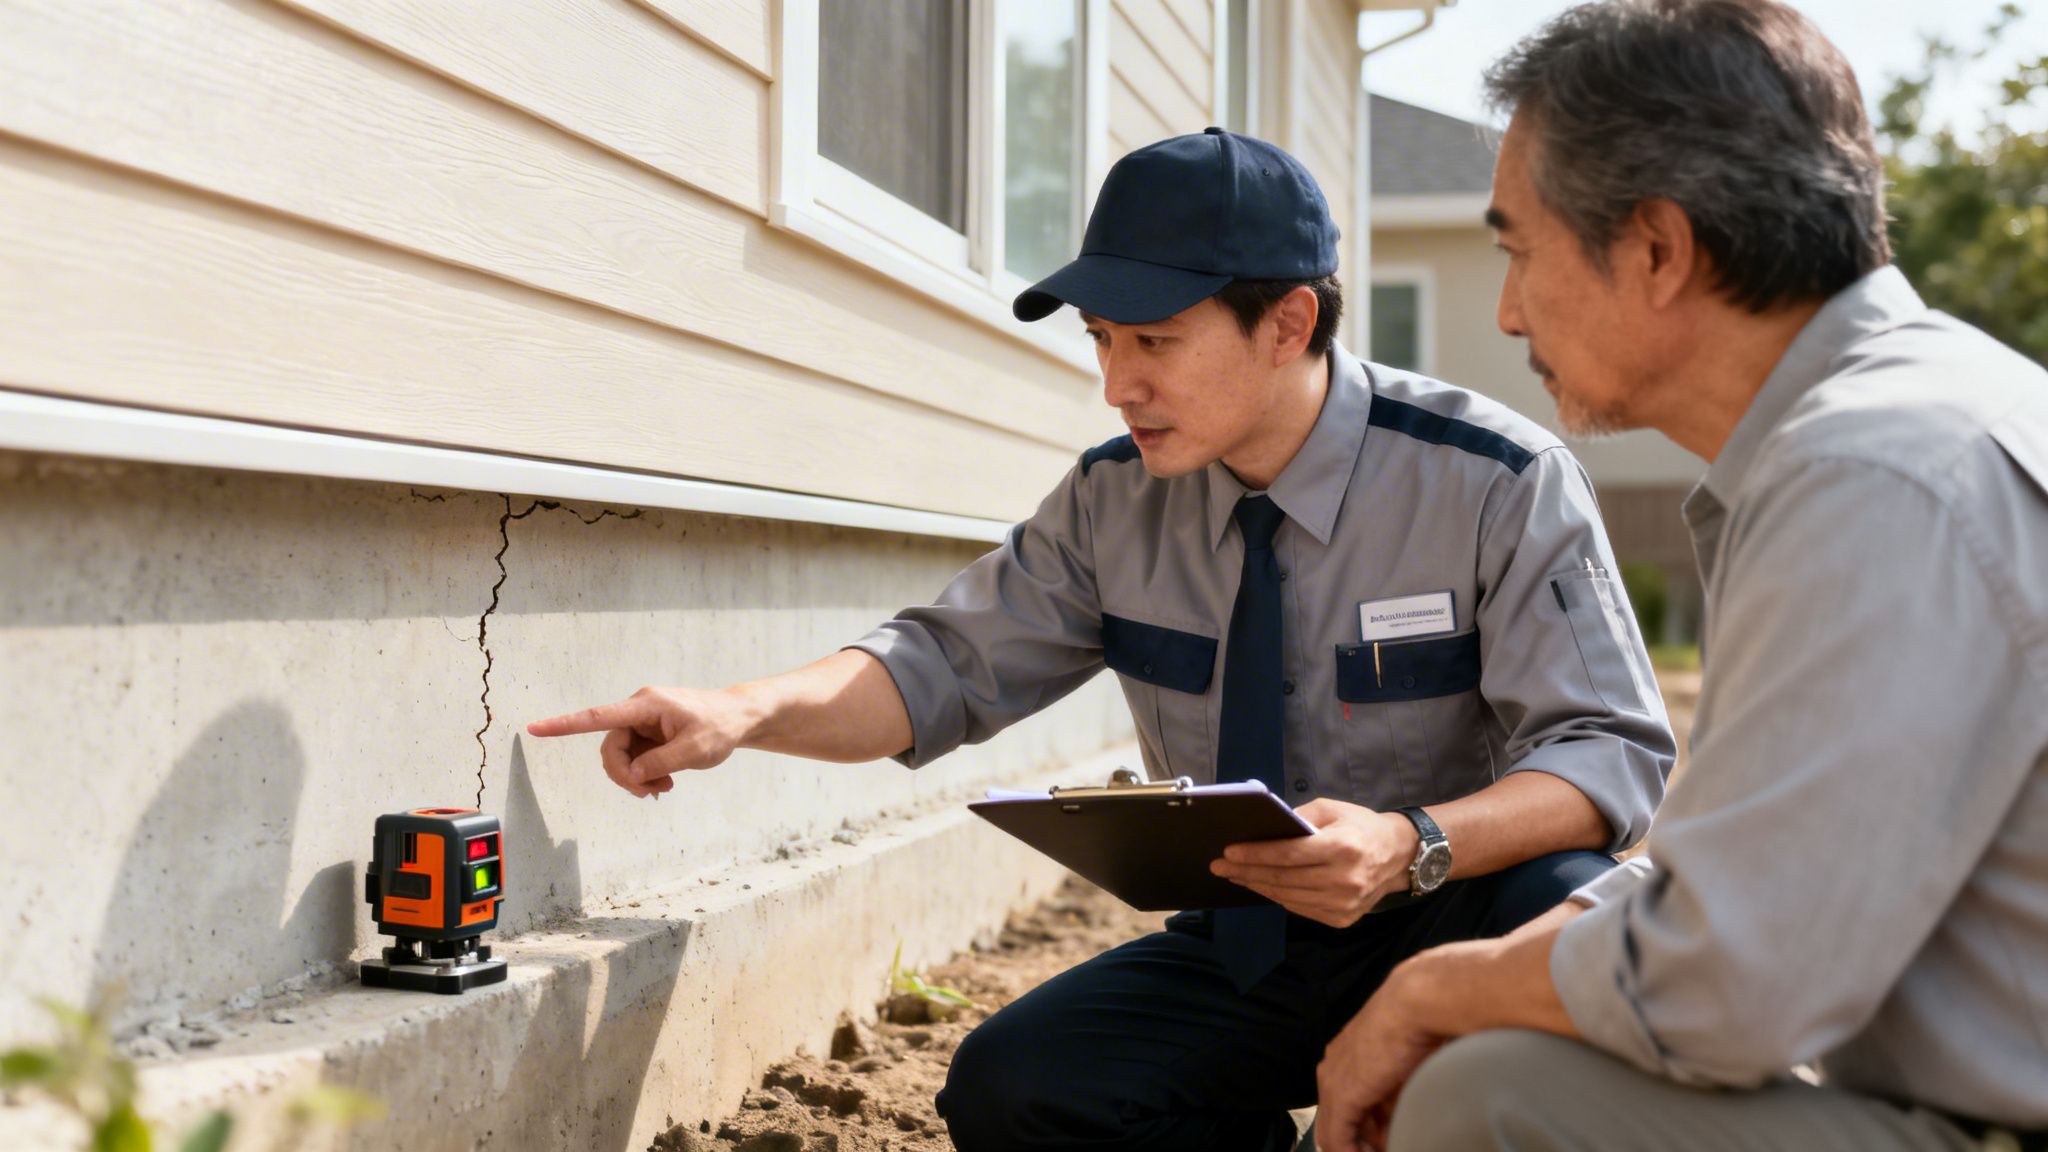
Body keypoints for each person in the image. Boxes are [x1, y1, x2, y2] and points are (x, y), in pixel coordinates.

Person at [530, 127, 1675, 1152]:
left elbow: (1608, 756)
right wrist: (742, 712)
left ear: (1288, 324)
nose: (1118, 384)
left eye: (1156, 342)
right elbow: (936, 668)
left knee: (1573, 914)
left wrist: (1408, 840)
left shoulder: (1494, 482)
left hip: (1453, 917)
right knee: (1015, 1087)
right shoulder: (1110, 501)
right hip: (1252, 947)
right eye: (1101, 339)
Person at [1308, 3, 2048, 1151]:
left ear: (1655, 248)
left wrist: (1424, 992)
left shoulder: (1870, 475)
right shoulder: (1929, 414)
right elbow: (1743, 863)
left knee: (1480, 1093)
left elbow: (1729, 983)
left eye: (1515, 250)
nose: (1505, 310)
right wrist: (1500, 965)